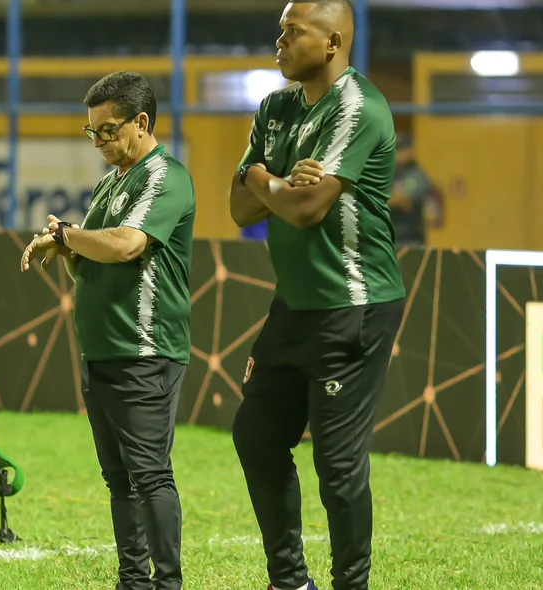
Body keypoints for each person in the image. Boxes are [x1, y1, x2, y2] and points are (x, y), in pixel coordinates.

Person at [227, 1, 407, 589]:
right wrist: (269, 179)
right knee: (256, 435)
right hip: (296, 304)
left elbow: (305, 210)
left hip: (355, 305)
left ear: (331, 43)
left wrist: (263, 177)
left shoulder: (360, 106)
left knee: (337, 463)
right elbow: (239, 207)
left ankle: (350, 584)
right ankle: (289, 581)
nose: (278, 40)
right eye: (280, 29)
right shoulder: (276, 107)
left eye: (292, 32)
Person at [20, 71, 196, 590]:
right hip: (101, 353)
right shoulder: (110, 182)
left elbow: (123, 246)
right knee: (119, 479)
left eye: (108, 130)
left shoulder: (166, 176)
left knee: (150, 476)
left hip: (145, 351)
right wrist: (68, 248)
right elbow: (89, 269)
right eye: (91, 131)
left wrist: (68, 234)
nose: (99, 142)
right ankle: (132, 581)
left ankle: (166, 584)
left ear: (142, 122)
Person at [387, 134, 437, 247]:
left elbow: (398, 198)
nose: (399, 154)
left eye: (402, 149)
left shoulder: (416, 175)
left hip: (411, 239)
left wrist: (386, 198)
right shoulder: (390, 173)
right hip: (388, 238)